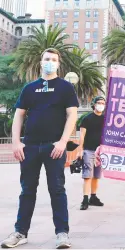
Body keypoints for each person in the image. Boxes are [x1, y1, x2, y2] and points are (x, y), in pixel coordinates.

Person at [1, 48, 79, 249]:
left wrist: (63, 141)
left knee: (57, 190)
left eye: (54, 59)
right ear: (40, 61)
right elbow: (19, 115)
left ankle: (62, 233)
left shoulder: (65, 88)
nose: (50, 62)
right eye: (47, 59)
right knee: (27, 190)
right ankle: (20, 232)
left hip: (54, 147)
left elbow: (72, 115)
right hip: (30, 147)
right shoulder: (29, 88)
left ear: (58, 64)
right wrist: (16, 142)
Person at [78, 96, 106, 210]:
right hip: (89, 150)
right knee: (87, 176)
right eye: (99, 103)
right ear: (94, 104)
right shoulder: (87, 119)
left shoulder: (105, 119)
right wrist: (80, 150)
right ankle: (85, 199)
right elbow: (82, 135)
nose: (100, 105)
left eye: (103, 103)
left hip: (101, 152)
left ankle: (93, 197)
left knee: (96, 176)